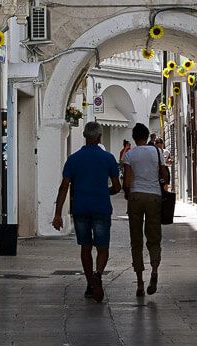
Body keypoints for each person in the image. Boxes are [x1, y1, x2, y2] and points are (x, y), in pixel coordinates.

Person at [52, 121, 122, 303]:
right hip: (101, 207)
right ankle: (98, 274)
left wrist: (58, 213)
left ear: (84, 136)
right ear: (99, 137)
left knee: (85, 247)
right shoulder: (108, 158)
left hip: (80, 208)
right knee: (102, 247)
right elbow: (117, 186)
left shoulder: (73, 159)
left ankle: (90, 282)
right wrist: (104, 191)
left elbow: (64, 187)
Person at [123, 122, 169, 298]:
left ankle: (140, 283)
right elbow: (164, 176)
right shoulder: (157, 152)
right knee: (154, 236)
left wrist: (128, 194)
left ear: (134, 138)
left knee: (136, 240)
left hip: (135, 196)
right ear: (147, 135)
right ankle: (155, 270)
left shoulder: (130, 155)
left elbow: (127, 183)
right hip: (154, 197)